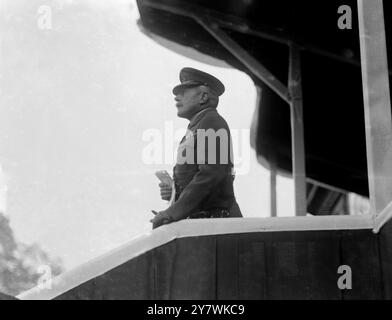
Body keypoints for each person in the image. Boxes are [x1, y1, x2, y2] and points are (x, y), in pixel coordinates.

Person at [151, 67, 242, 229]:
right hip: (205, 224)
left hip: (215, 225)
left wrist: (172, 212)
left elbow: (212, 174)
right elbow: (200, 176)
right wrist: (174, 191)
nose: (176, 97)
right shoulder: (198, 125)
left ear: (204, 97)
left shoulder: (211, 122)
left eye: (184, 92)